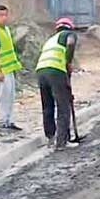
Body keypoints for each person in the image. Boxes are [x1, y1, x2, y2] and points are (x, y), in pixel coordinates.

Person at [36, 18, 78, 149]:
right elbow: (70, 44)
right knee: (63, 106)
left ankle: (51, 138)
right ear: (70, 27)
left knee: (47, 106)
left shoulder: (50, 40)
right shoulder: (69, 34)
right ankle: (62, 142)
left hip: (41, 72)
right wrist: (69, 62)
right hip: (56, 71)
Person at [0, 5, 24, 131]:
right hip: (1, 71)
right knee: (2, 96)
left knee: (10, 95)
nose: (3, 18)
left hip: (9, 69)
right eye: (1, 15)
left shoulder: (6, 30)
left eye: (5, 15)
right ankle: (2, 121)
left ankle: (9, 120)